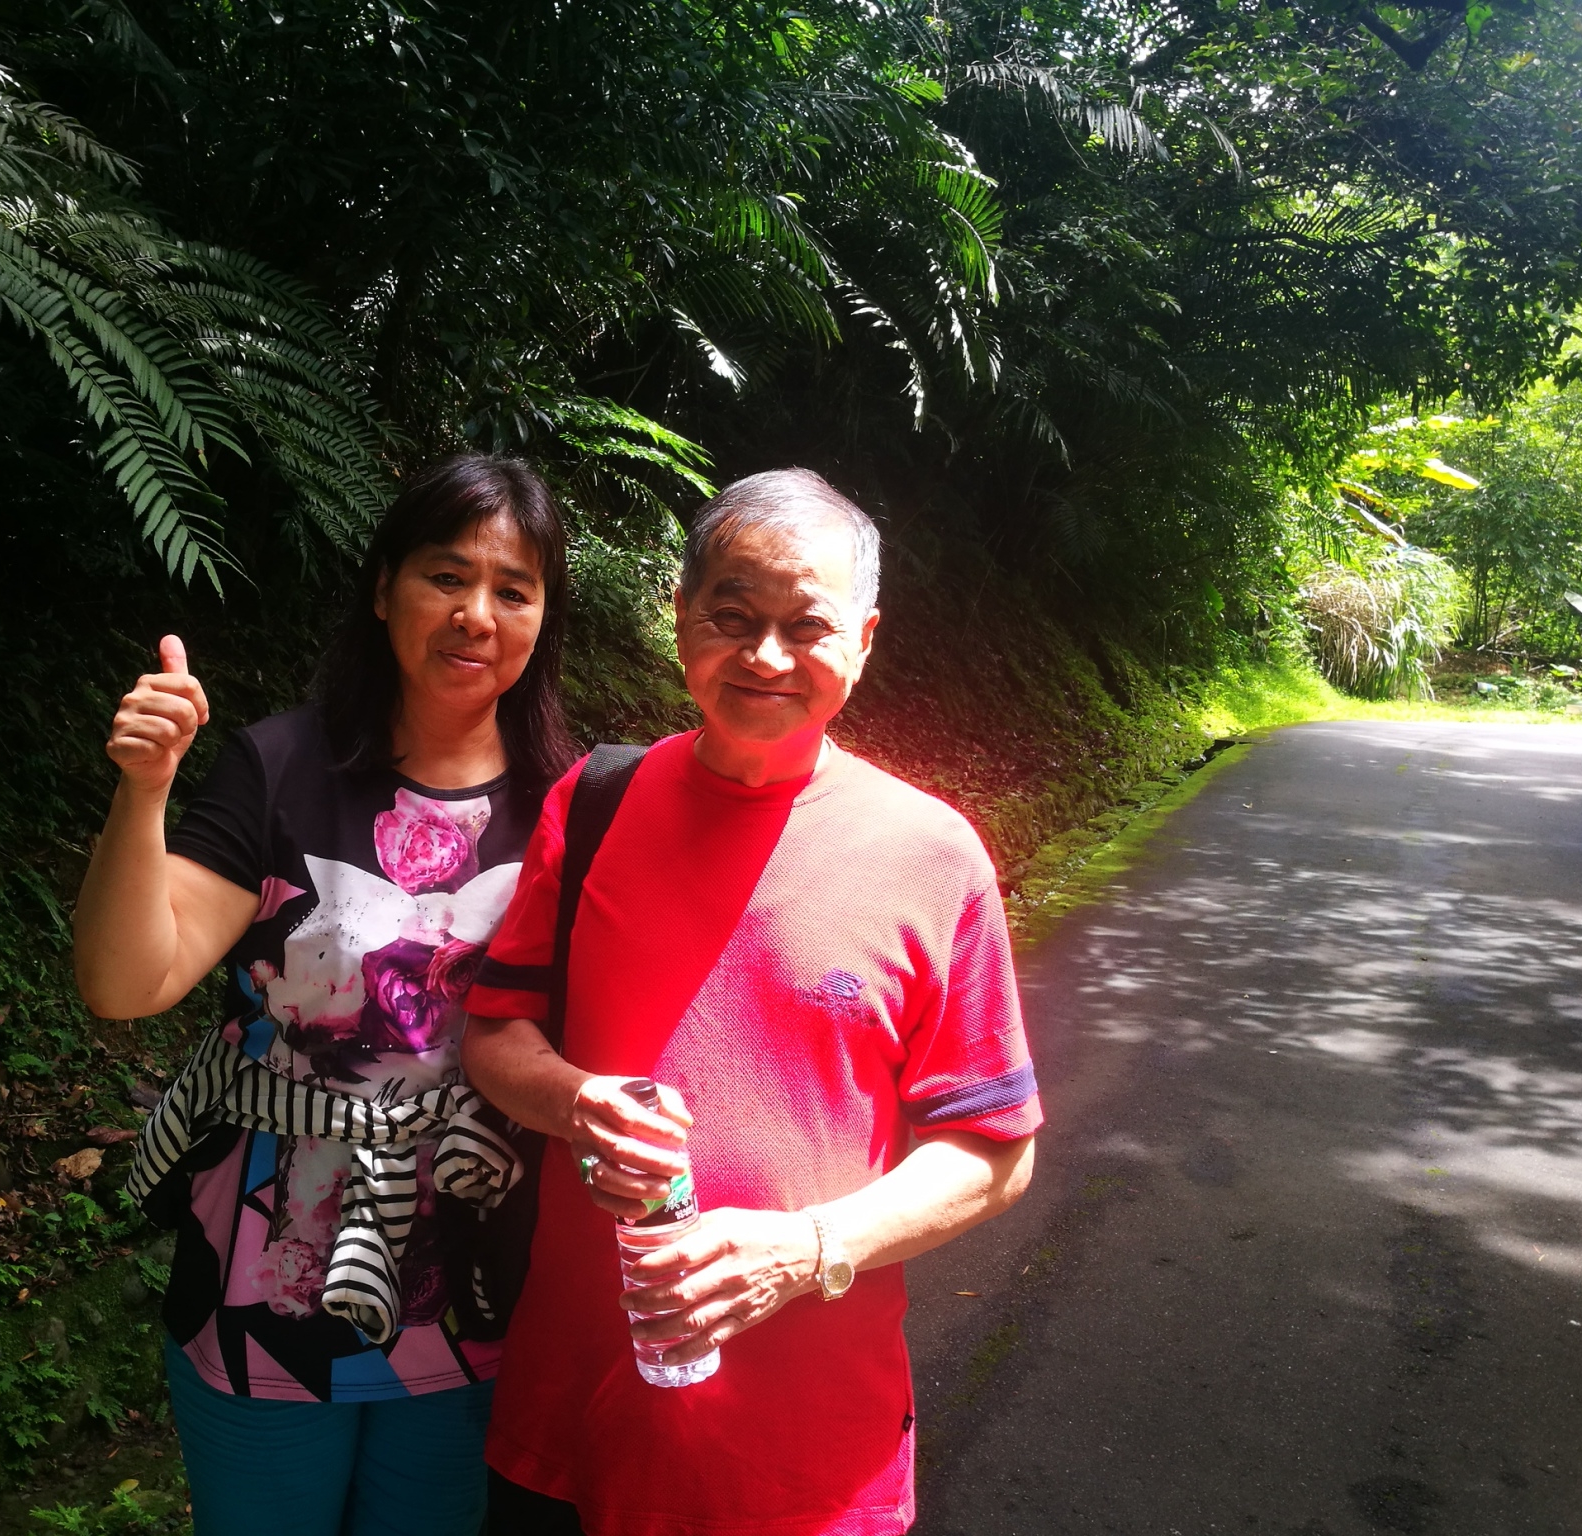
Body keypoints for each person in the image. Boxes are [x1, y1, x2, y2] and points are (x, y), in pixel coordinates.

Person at [461, 468, 1041, 1536]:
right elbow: (496, 1031)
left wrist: (803, 1249)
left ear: (862, 642)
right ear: (681, 616)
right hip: (569, 1425)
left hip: (804, 1467)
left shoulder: (933, 855)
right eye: (732, 617)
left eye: (806, 626)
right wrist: (577, 1103)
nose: (766, 657)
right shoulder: (594, 802)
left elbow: (994, 1154)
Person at [72, 453, 578, 1536]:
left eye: (513, 589)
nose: (476, 614)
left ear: (542, 619)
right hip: (262, 1271)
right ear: (384, 586)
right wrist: (145, 794)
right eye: (447, 576)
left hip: (469, 1277)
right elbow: (126, 982)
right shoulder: (280, 767)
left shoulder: (568, 807)